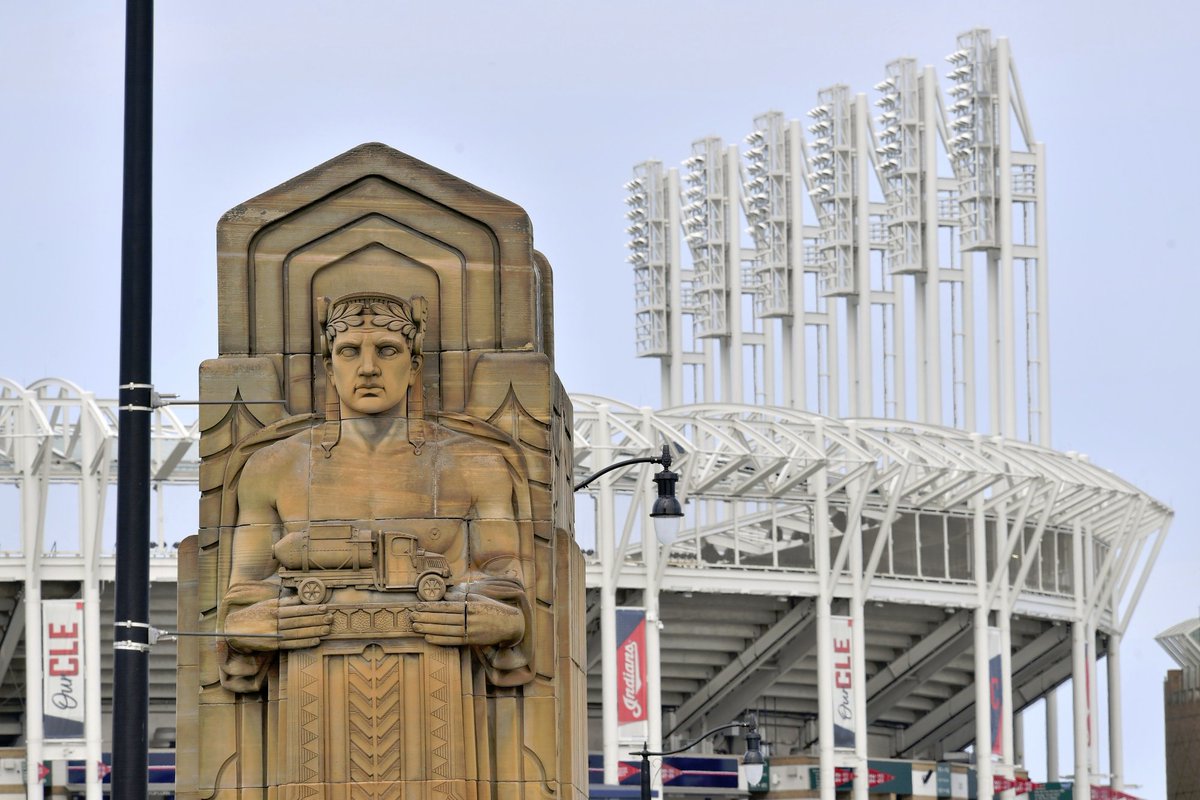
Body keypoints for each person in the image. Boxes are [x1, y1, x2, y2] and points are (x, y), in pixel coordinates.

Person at [216, 292, 534, 790]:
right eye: (349, 352)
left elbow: (508, 586)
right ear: (328, 365)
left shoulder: (476, 464)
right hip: (309, 694)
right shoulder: (273, 466)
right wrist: (253, 626)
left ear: (414, 364)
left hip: (437, 696)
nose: (367, 368)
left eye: (386, 350)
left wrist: (501, 620)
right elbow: (241, 600)